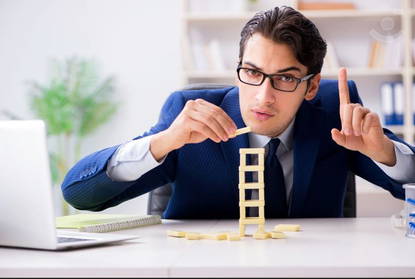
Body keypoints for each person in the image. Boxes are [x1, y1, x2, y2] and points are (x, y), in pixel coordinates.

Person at [62, 6, 415, 219]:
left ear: (311, 86)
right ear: (239, 68)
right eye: (252, 72)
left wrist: (384, 151)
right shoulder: (188, 116)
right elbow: (79, 195)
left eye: (286, 79)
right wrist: (165, 142)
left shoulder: (334, 113)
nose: (264, 96)